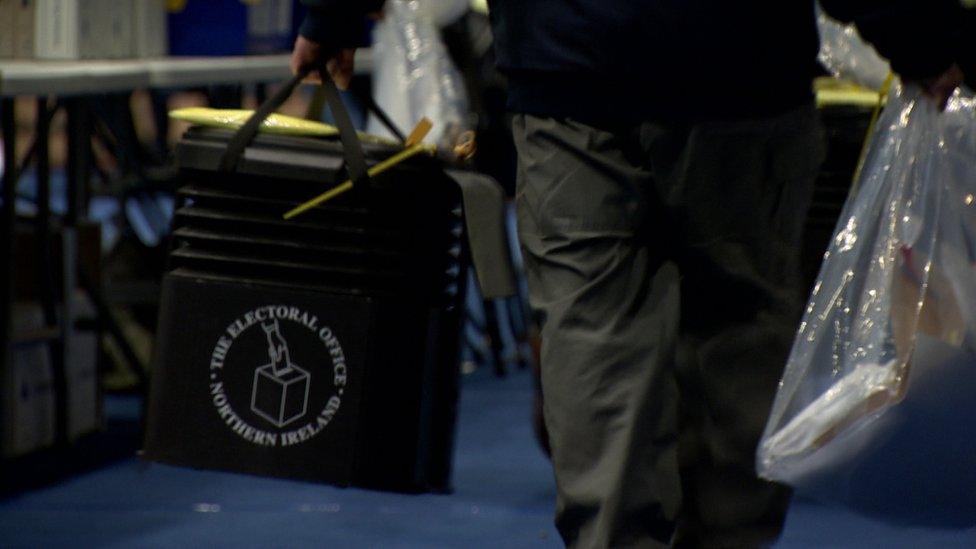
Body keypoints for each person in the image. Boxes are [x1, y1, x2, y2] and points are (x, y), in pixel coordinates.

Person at [292, 1, 968, 547]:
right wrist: (918, 33)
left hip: (567, 69)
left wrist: (333, 16)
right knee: (737, 335)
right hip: (737, 70)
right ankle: (730, 534)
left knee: (591, 334)